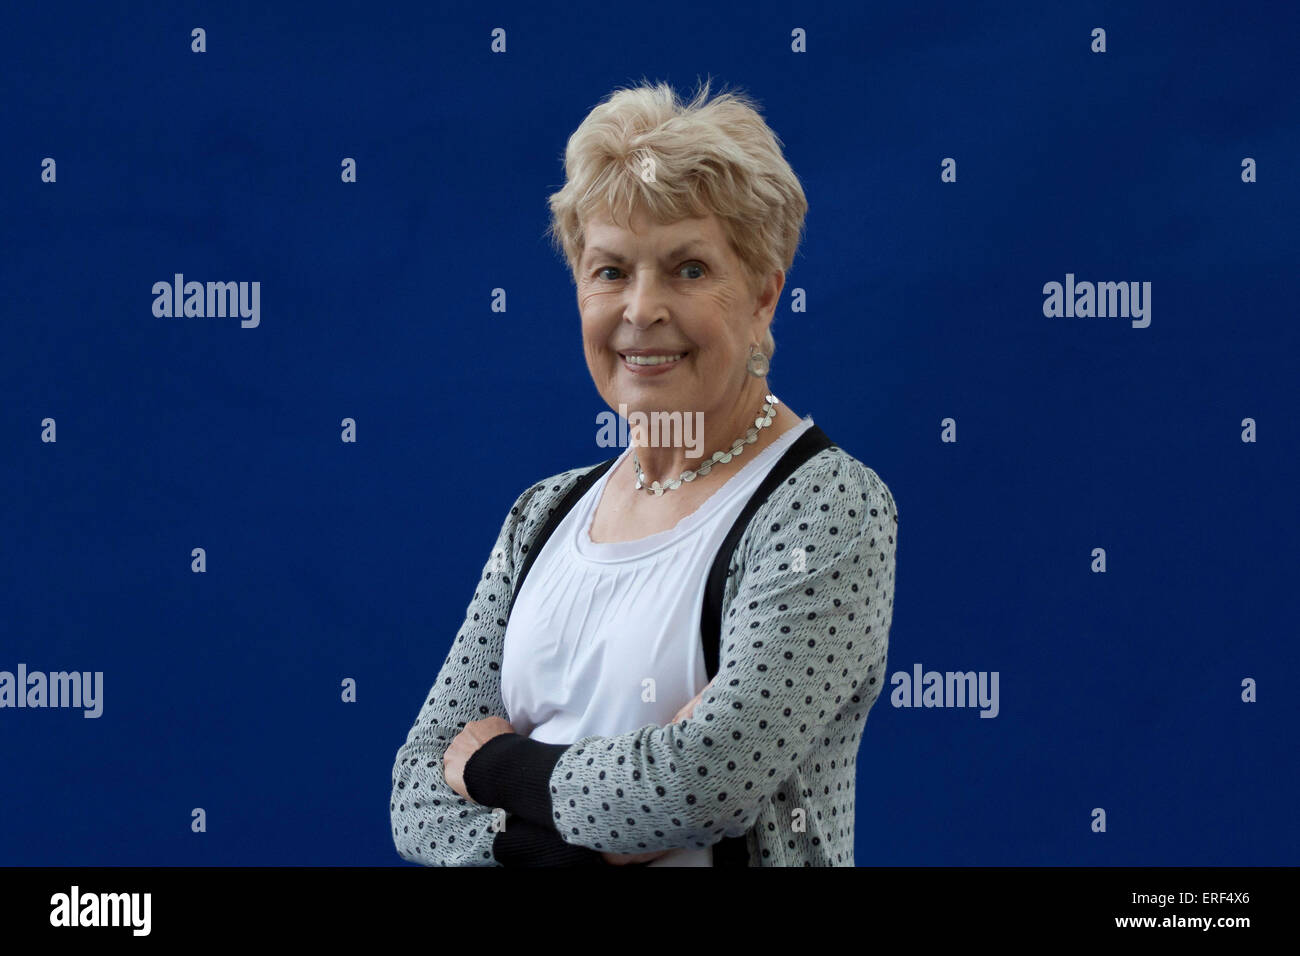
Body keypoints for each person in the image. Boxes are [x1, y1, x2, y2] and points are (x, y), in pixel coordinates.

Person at [391, 77, 898, 866]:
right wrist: (616, 822)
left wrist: (496, 768)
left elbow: (706, 782)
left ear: (764, 296)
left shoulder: (825, 508)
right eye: (611, 271)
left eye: (689, 269)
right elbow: (418, 790)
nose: (641, 309)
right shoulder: (544, 514)